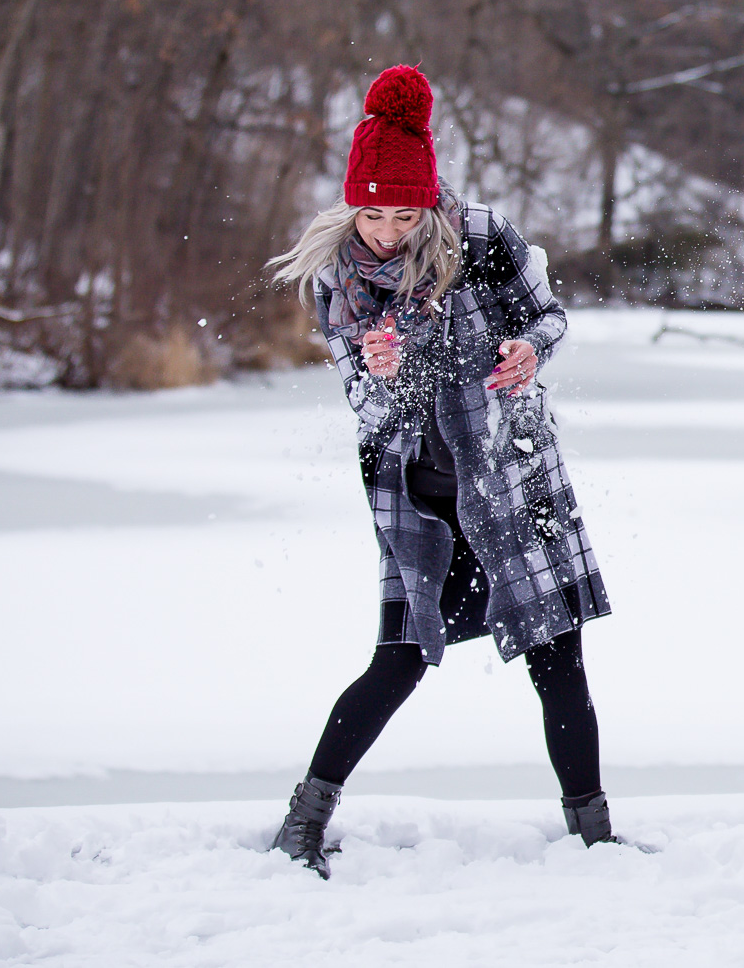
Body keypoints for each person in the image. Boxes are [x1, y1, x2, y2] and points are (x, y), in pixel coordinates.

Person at [264, 64, 621, 878]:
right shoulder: (338, 281)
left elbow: (550, 315)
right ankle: (303, 824)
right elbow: (365, 406)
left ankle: (595, 837)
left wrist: (531, 350)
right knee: (401, 655)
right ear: (353, 205)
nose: (388, 229)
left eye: (404, 212)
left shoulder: (483, 239)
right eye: (374, 213)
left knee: (557, 653)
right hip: (421, 497)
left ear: (429, 200)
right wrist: (378, 371)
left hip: (511, 476)